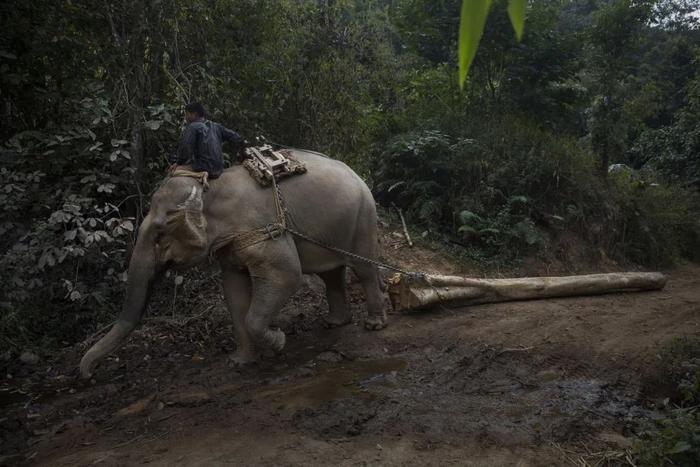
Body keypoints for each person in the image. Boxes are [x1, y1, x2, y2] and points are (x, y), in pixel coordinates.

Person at [169, 102, 247, 179]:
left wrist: (178, 163)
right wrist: (242, 154)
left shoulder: (193, 126)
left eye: (187, 114)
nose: (185, 117)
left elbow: (186, 148)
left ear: (194, 114)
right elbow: (237, 138)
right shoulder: (216, 126)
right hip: (219, 168)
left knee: (174, 172)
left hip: (202, 166)